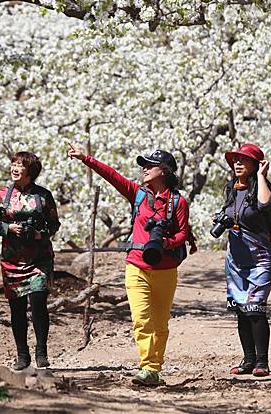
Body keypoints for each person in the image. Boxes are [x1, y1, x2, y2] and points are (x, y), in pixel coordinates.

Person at [67, 144, 191, 387]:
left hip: (165, 269)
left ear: (164, 171)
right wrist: (86, 158)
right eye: (143, 165)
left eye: (149, 165)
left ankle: (155, 367)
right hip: (136, 266)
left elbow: (183, 233)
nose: (144, 169)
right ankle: (148, 367)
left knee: (160, 322)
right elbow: (112, 175)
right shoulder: (138, 194)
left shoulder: (178, 201)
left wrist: (167, 242)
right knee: (141, 319)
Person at [0, 151, 60, 370]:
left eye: (20, 165)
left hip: (40, 259)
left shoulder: (44, 195)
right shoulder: (1, 194)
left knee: (38, 303)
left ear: (30, 171)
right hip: (12, 260)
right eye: (13, 164)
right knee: (17, 308)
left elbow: (54, 224)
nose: (14, 168)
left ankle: (41, 352)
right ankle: (22, 355)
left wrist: (39, 233)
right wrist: (8, 228)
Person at [218, 142, 271, 377]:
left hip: (260, 260)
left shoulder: (260, 189)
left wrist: (262, 176)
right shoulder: (231, 190)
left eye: (243, 160)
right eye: (235, 160)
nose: (237, 163)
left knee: (255, 308)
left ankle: (262, 361)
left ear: (255, 164)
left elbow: (265, 205)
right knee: (240, 310)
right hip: (235, 261)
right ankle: (248, 360)